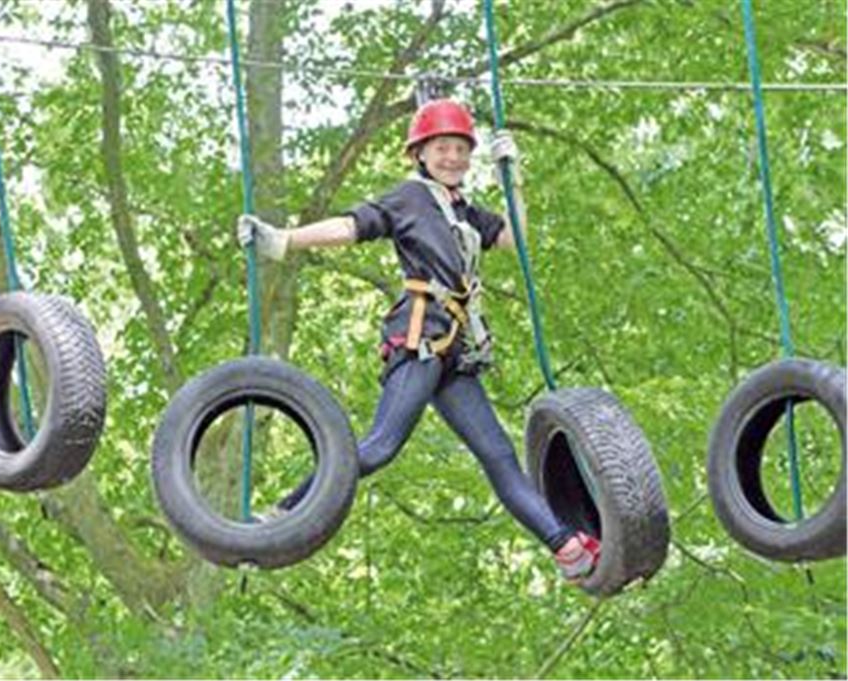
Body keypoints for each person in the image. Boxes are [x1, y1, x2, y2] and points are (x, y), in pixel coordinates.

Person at [236, 99, 599, 581]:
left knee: (498, 455)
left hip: (456, 353)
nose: (452, 157)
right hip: (421, 337)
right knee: (380, 446)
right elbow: (352, 226)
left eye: (460, 149)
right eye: (442, 148)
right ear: (421, 154)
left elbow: (515, 238)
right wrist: (283, 240)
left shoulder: (466, 211)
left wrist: (512, 178)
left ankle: (566, 547)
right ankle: (282, 514)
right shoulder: (409, 198)